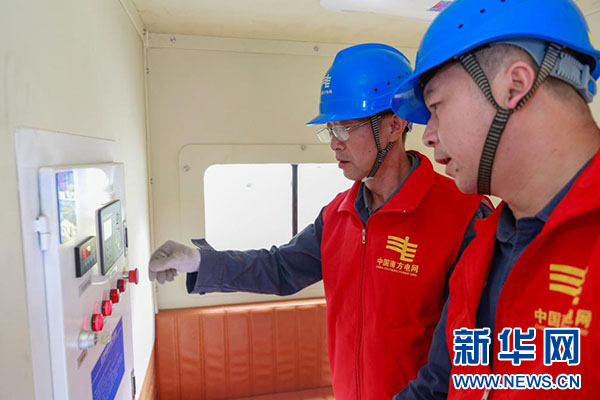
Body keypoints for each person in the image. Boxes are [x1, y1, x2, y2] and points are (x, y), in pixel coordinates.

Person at [149, 43, 489, 399]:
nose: (334, 144)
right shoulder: (338, 215)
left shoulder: (464, 216)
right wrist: (198, 260)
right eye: (330, 130)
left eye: (345, 128)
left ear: (394, 124)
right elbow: (279, 268)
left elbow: (464, 350)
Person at [391, 0, 600, 398]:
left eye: (435, 106)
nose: (428, 135)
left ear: (514, 86)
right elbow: (439, 386)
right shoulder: (483, 250)